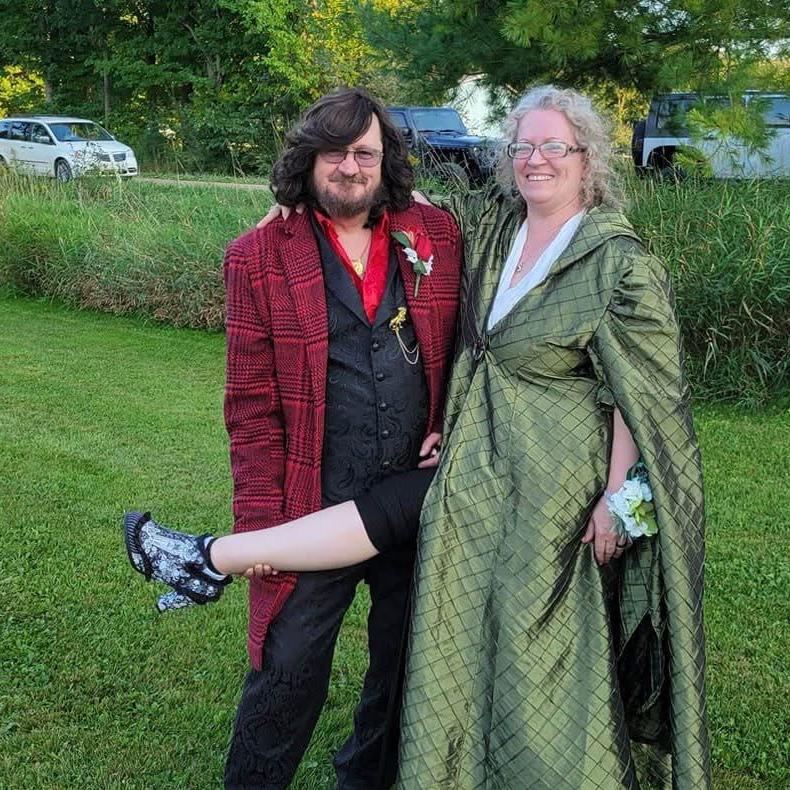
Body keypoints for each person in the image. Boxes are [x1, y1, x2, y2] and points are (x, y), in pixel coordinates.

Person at [126, 85, 710, 789]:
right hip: (381, 480)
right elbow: (252, 405)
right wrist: (293, 202)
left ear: (588, 157)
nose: (536, 159)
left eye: (554, 145)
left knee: (448, 654)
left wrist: (615, 492)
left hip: (494, 475)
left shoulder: (541, 248)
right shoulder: (285, 254)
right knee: (310, 655)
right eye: (523, 146)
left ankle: (395, 769)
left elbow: (639, 391)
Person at [183, 86, 461, 790]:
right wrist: (261, 528)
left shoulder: (436, 234)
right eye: (333, 152)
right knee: (288, 664)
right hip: (317, 502)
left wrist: (447, 420)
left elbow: (469, 345)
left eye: (365, 152)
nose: (349, 166)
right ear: (307, 160)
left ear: (386, 160)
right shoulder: (257, 256)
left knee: (406, 669)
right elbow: (249, 408)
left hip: (415, 499)